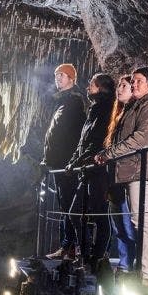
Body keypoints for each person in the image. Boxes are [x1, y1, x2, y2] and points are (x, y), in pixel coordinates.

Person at [95, 67, 148, 286]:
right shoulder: (135, 107)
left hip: (144, 171)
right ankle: (143, 270)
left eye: (139, 81)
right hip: (132, 170)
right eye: (133, 81)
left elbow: (142, 138)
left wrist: (108, 154)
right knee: (137, 222)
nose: (134, 84)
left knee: (142, 221)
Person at [65, 74, 116, 271]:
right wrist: (73, 161)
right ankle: (86, 254)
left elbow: (97, 140)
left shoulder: (106, 109)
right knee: (75, 213)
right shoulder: (94, 109)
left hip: (98, 168)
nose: (87, 87)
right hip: (86, 168)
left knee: (101, 214)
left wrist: (78, 161)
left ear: (101, 88)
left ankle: (97, 257)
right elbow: (83, 141)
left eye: (91, 85)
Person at [40, 63, 86, 259]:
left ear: (71, 79)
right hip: (60, 162)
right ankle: (67, 245)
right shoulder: (62, 101)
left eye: (63, 75)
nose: (58, 78)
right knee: (64, 205)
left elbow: (68, 134)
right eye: (57, 75)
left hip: (67, 163)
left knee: (69, 204)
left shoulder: (74, 102)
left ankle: (72, 246)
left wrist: (68, 160)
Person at [105, 75, 137, 272]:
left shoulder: (134, 113)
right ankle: (125, 262)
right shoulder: (119, 114)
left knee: (129, 224)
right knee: (119, 224)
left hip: (127, 174)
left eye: (124, 85)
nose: (119, 88)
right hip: (114, 176)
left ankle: (133, 263)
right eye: (119, 85)